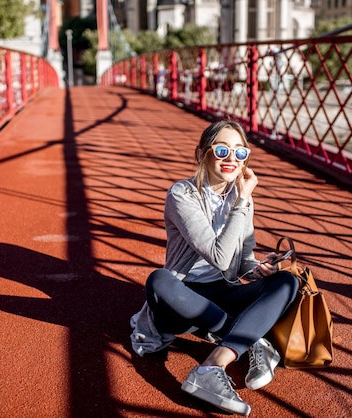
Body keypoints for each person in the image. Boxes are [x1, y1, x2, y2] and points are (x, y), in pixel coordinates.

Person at [130, 120, 299, 416]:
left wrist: (257, 268)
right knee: (159, 280)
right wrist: (243, 200)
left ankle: (213, 365)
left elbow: (242, 260)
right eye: (222, 150)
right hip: (183, 299)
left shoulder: (240, 198)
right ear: (201, 155)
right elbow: (219, 257)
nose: (231, 158)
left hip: (222, 293)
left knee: (286, 283)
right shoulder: (182, 194)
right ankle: (248, 338)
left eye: (239, 152)